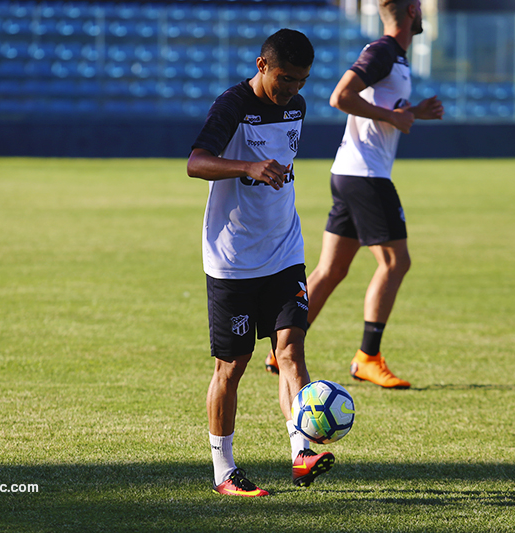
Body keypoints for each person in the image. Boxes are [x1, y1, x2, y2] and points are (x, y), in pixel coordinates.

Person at [265, 0, 443, 389]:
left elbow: (379, 107)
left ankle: (281, 349)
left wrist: (412, 111)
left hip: (350, 172)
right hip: (365, 176)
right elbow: (341, 96)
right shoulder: (382, 52)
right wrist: (396, 116)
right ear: (412, 9)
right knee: (396, 262)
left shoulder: (392, 56)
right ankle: (368, 356)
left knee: (332, 269)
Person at [187, 29, 335, 498]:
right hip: (233, 259)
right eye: (286, 78)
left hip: (285, 250)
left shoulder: (297, 107)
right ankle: (223, 471)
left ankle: (302, 451)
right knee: (232, 366)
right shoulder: (232, 105)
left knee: (290, 351)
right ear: (261, 65)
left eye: (302, 81)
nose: (293, 89)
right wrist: (248, 167)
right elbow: (195, 162)